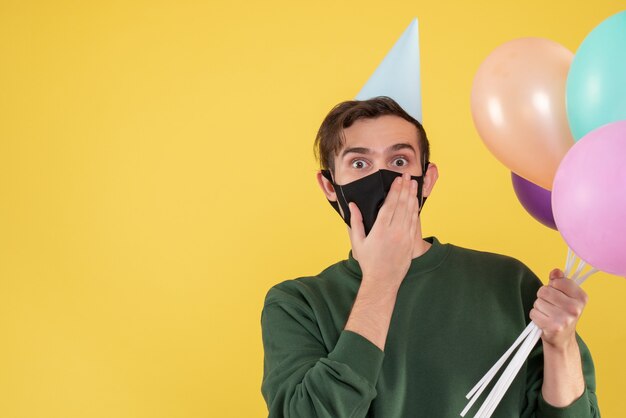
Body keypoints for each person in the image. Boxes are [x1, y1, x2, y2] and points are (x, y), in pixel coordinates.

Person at [260, 96, 600, 417]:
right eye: (359, 163)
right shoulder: (297, 304)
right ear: (330, 186)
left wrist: (561, 345)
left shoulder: (508, 282)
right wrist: (380, 281)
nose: (384, 179)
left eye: (399, 161)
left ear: (427, 180)